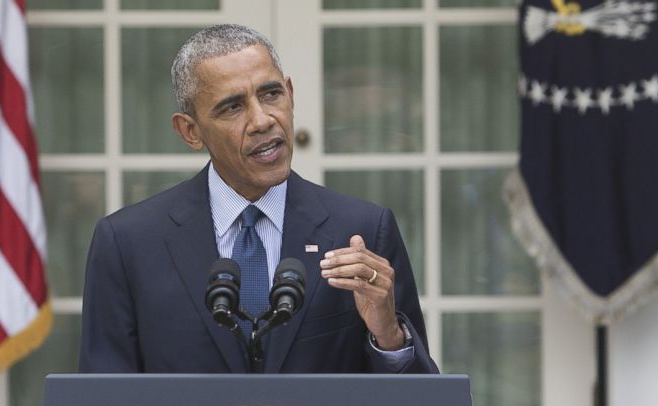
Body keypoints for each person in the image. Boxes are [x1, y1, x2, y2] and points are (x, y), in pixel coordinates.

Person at [78, 24, 438, 374]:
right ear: (190, 131)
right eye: (232, 107)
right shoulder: (128, 244)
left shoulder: (361, 231)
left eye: (271, 94)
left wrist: (387, 333)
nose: (263, 120)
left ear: (291, 95)